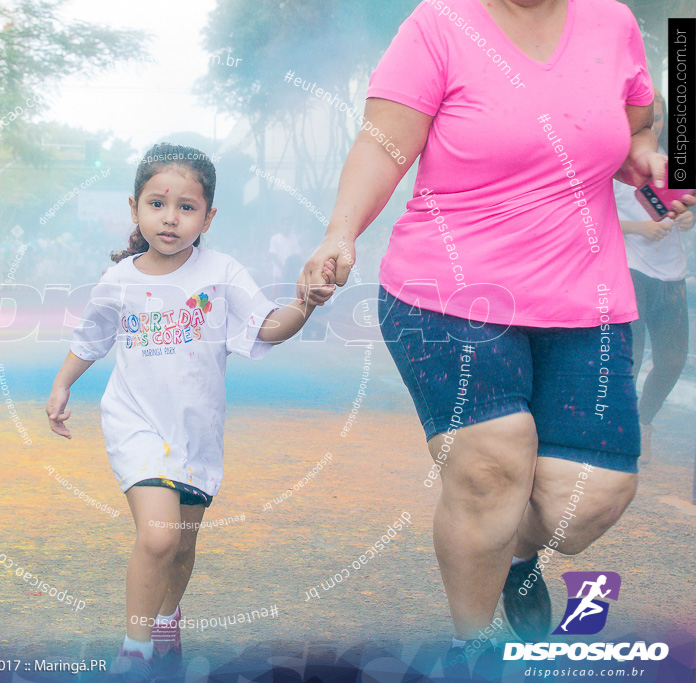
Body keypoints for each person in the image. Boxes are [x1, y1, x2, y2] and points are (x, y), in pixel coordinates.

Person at [296, 0, 695, 675]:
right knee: (491, 469)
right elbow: (383, 144)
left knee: (588, 501)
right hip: (448, 294)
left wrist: (648, 159)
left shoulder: (613, 22)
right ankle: (472, 651)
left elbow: (637, 126)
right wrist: (341, 232)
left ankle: (513, 554)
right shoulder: (438, 24)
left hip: (585, 297)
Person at [46, 143, 331, 682]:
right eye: (157, 204)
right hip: (136, 422)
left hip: (197, 432)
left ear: (208, 216)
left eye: (186, 208)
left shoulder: (221, 272)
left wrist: (307, 304)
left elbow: (267, 326)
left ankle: (167, 618)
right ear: (134, 209)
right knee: (158, 537)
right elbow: (91, 339)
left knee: (182, 546)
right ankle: (135, 650)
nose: (170, 218)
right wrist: (62, 385)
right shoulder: (120, 280)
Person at [615, 90, 693, 460]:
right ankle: (622, 430)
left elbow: (684, 212)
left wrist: (689, 218)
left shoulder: (672, 164)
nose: (654, 124)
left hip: (672, 273)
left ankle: (643, 419)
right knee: (631, 354)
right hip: (630, 269)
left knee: (673, 359)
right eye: (649, 117)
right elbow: (592, 220)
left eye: (659, 119)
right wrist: (639, 229)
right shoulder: (614, 165)